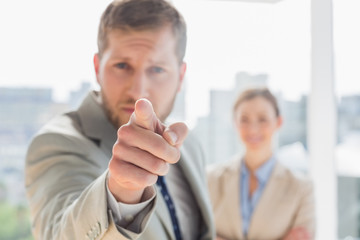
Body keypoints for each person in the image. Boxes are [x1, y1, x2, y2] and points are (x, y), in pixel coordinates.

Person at [25, 0, 214, 239]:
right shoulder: (57, 143)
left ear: (180, 77)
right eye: (122, 65)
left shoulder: (191, 146)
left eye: (157, 69)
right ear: (97, 67)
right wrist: (121, 192)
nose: (138, 91)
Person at [207, 88, 315, 240]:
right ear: (235, 123)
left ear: (278, 122)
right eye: (244, 119)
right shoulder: (210, 179)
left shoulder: (301, 189)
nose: (253, 129)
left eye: (262, 119)